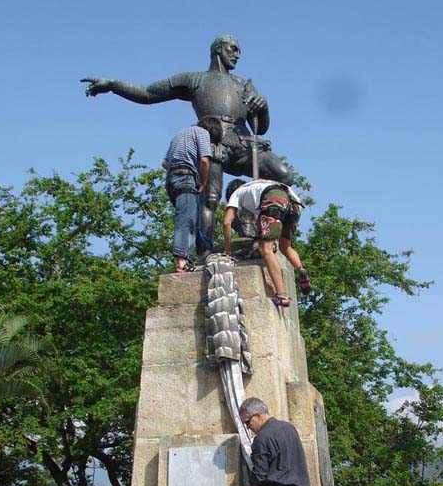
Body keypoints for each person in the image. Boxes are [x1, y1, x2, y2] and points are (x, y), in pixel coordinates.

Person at [81, 34, 293, 252]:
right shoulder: (194, 79)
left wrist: (263, 107)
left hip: (242, 144)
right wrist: (114, 85)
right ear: (218, 49)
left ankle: (266, 235)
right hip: (212, 141)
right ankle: (206, 252)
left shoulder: (243, 84)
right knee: (210, 198)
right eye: (233, 49)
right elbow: (148, 93)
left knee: (284, 175)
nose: (237, 55)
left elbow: (262, 126)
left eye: (239, 51)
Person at [223, 179, 311, 307]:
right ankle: (301, 270)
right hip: (293, 203)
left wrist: (227, 249)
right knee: (285, 246)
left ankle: (281, 294)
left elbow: (226, 222)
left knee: (266, 249)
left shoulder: (237, 193)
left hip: (274, 199)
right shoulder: (256, 186)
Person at [162, 119, 222, 271]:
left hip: (171, 180)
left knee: (190, 219)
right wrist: (202, 181)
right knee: (186, 220)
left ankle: (186, 259)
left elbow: (165, 163)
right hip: (186, 177)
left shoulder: (179, 135)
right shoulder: (202, 133)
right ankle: (182, 261)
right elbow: (204, 160)